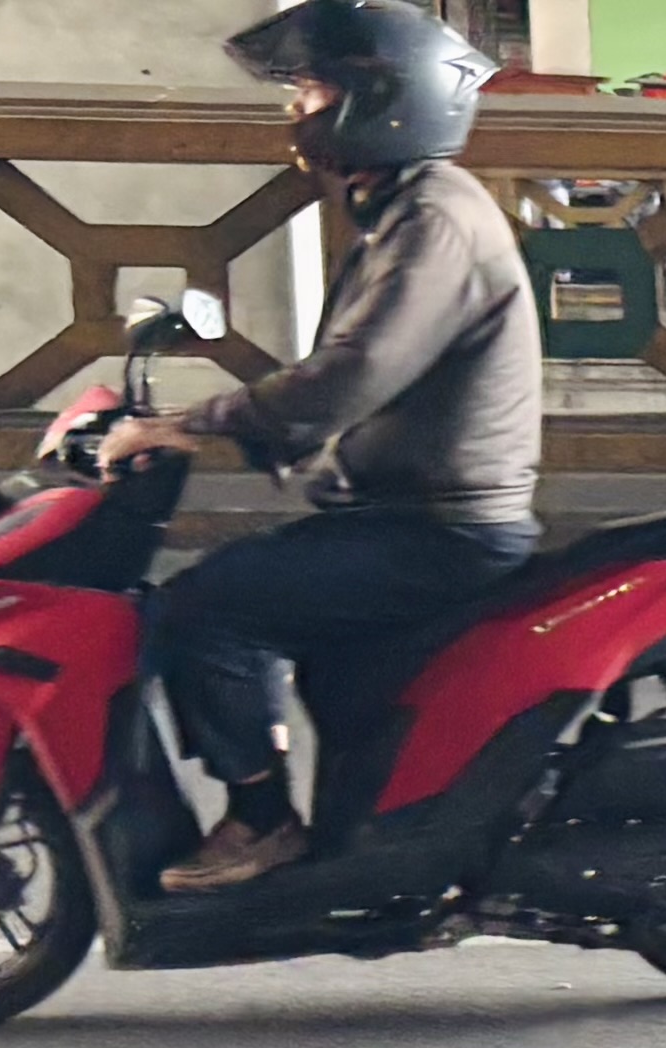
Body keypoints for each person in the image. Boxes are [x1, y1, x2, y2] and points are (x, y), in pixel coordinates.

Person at [101, 0, 543, 892]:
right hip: (407, 516)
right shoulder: (403, 207)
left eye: (310, 89)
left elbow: (354, 372)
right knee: (309, 651)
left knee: (207, 612)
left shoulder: (436, 223)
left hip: (438, 530)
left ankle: (262, 825)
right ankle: (359, 849)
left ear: (379, 102)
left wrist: (197, 423)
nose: (295, 110)